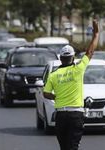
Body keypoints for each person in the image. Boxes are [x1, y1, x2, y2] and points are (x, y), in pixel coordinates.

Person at [43, 20, 99, 150]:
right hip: (76, 115)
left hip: (61, 116)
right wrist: (96, 34)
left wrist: (56, 97)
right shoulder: (78, 69)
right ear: (73, 58)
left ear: (61, 58)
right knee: (72, 146)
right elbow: (90, 52)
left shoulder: (53, 74)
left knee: (64, 147)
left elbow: (45, 93)